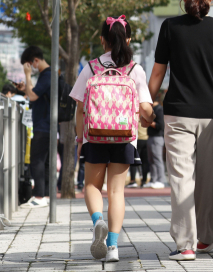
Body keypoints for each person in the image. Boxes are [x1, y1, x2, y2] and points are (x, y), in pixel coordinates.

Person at [147, 0, 213, 261]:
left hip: (178, 113)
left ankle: (186, 244)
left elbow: (158, 73)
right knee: (210, 178)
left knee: (180, 178)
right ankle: (208, 237)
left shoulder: (170, 27)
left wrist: (146, 104)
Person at [70, 15, 155, 263]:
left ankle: (98, 221)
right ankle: (113, 248)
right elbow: (146, 109)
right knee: (116, 192)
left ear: (102, 40)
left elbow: (80, 108)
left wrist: (79, 140)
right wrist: (148, 117)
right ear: (128, 39)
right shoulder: (134, 69)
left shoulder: (91, 67)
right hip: (124, 139)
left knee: (91, 186)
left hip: (94, 136)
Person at [17, 46, 52, 208]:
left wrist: (27, 75)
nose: (29, 68)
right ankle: (44, 195)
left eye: (29, 65)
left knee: (37, 160)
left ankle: (38, 196)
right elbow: (34, 95)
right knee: (43, 161)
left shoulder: (47, 75)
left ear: (35, 61)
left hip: (43, 125)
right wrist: (26, 88)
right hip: (46, 124)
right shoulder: (48, 75)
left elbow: (32, 96)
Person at [146, 99, 166, 189]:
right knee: (151, 160)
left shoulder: (160, 110)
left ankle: (161, 180)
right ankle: (153, 180)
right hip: (151, 137)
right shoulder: (153, 110)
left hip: (157, 137)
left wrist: (149, 122)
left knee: (158, 160)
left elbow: (160, 125)